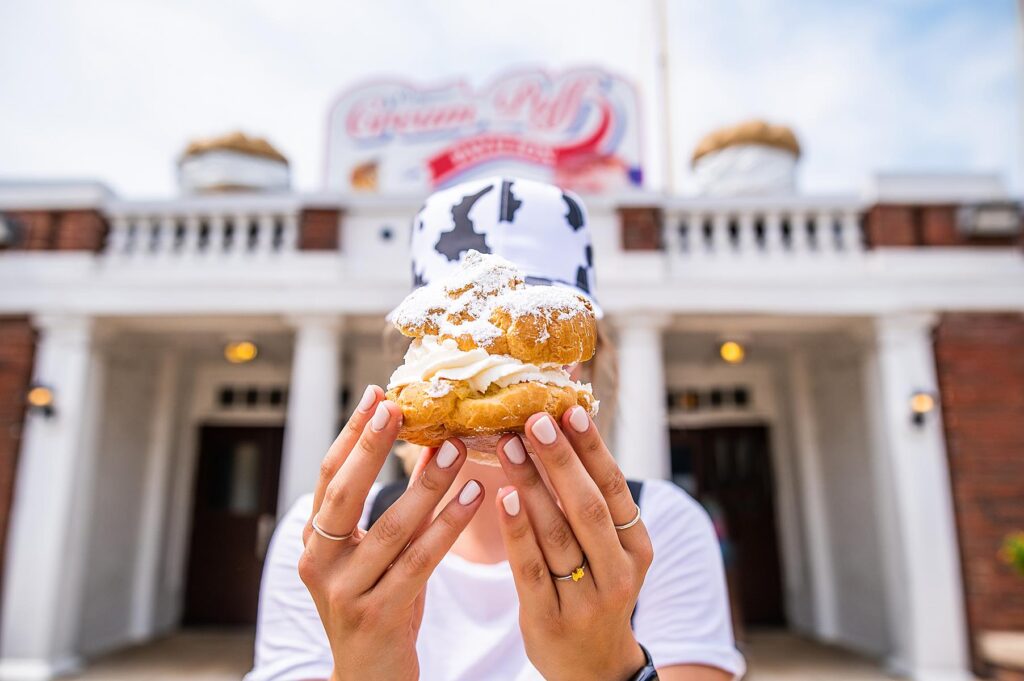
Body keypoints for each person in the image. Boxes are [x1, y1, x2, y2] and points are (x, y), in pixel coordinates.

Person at [245, 177, 746, 681]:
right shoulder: (324, 546)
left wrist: (610, 669)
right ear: (418, 355)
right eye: (467, 341)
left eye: (541, 340)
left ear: (586, 363)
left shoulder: (661, 528)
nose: (499, 361)